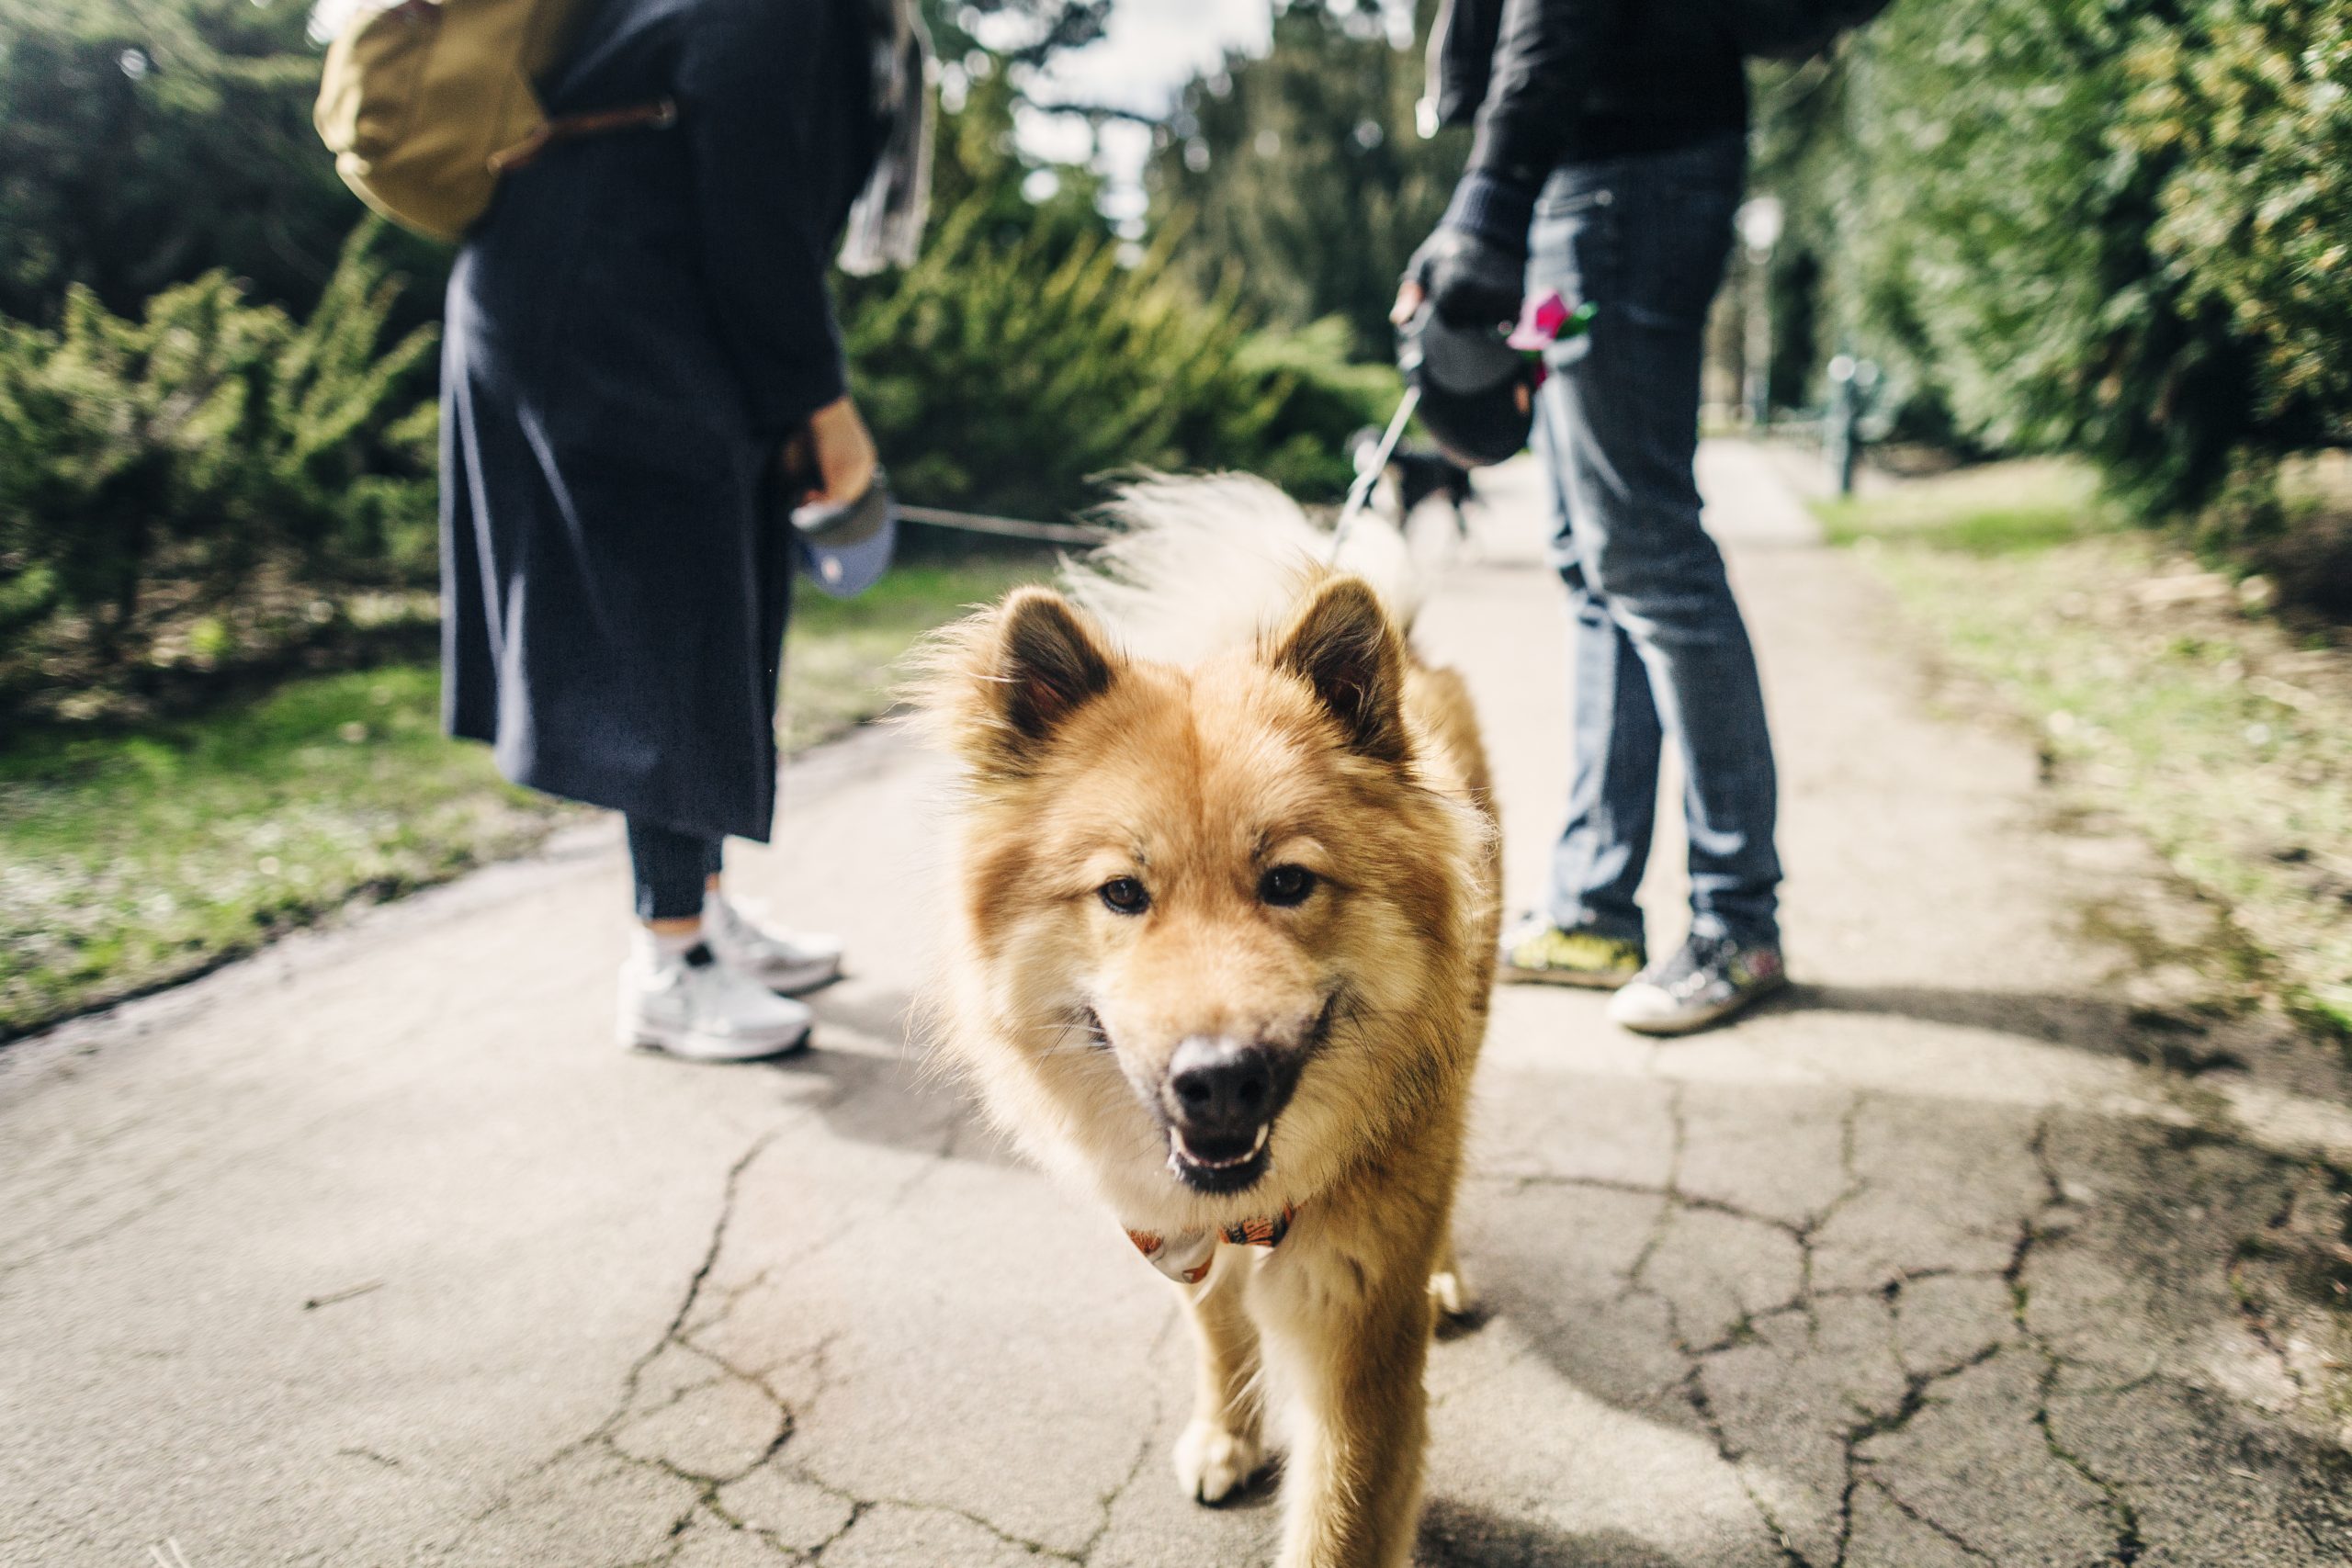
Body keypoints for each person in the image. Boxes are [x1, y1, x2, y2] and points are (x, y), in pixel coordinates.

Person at [440, 0, 928, 1061]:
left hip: (646, 295)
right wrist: (820, 403)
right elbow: (751, 188)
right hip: (596, 301)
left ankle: (699, 907)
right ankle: (670, 960)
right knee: (672, 615)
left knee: (723, 590)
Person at [1397, 0, 1787, 1034]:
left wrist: (1489, 200)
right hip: (1598, 171)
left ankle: (1737, 920)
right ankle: (1592, 908)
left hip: (1626, 170)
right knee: (1594, 562)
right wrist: (1497, 202)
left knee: (1648, 553)